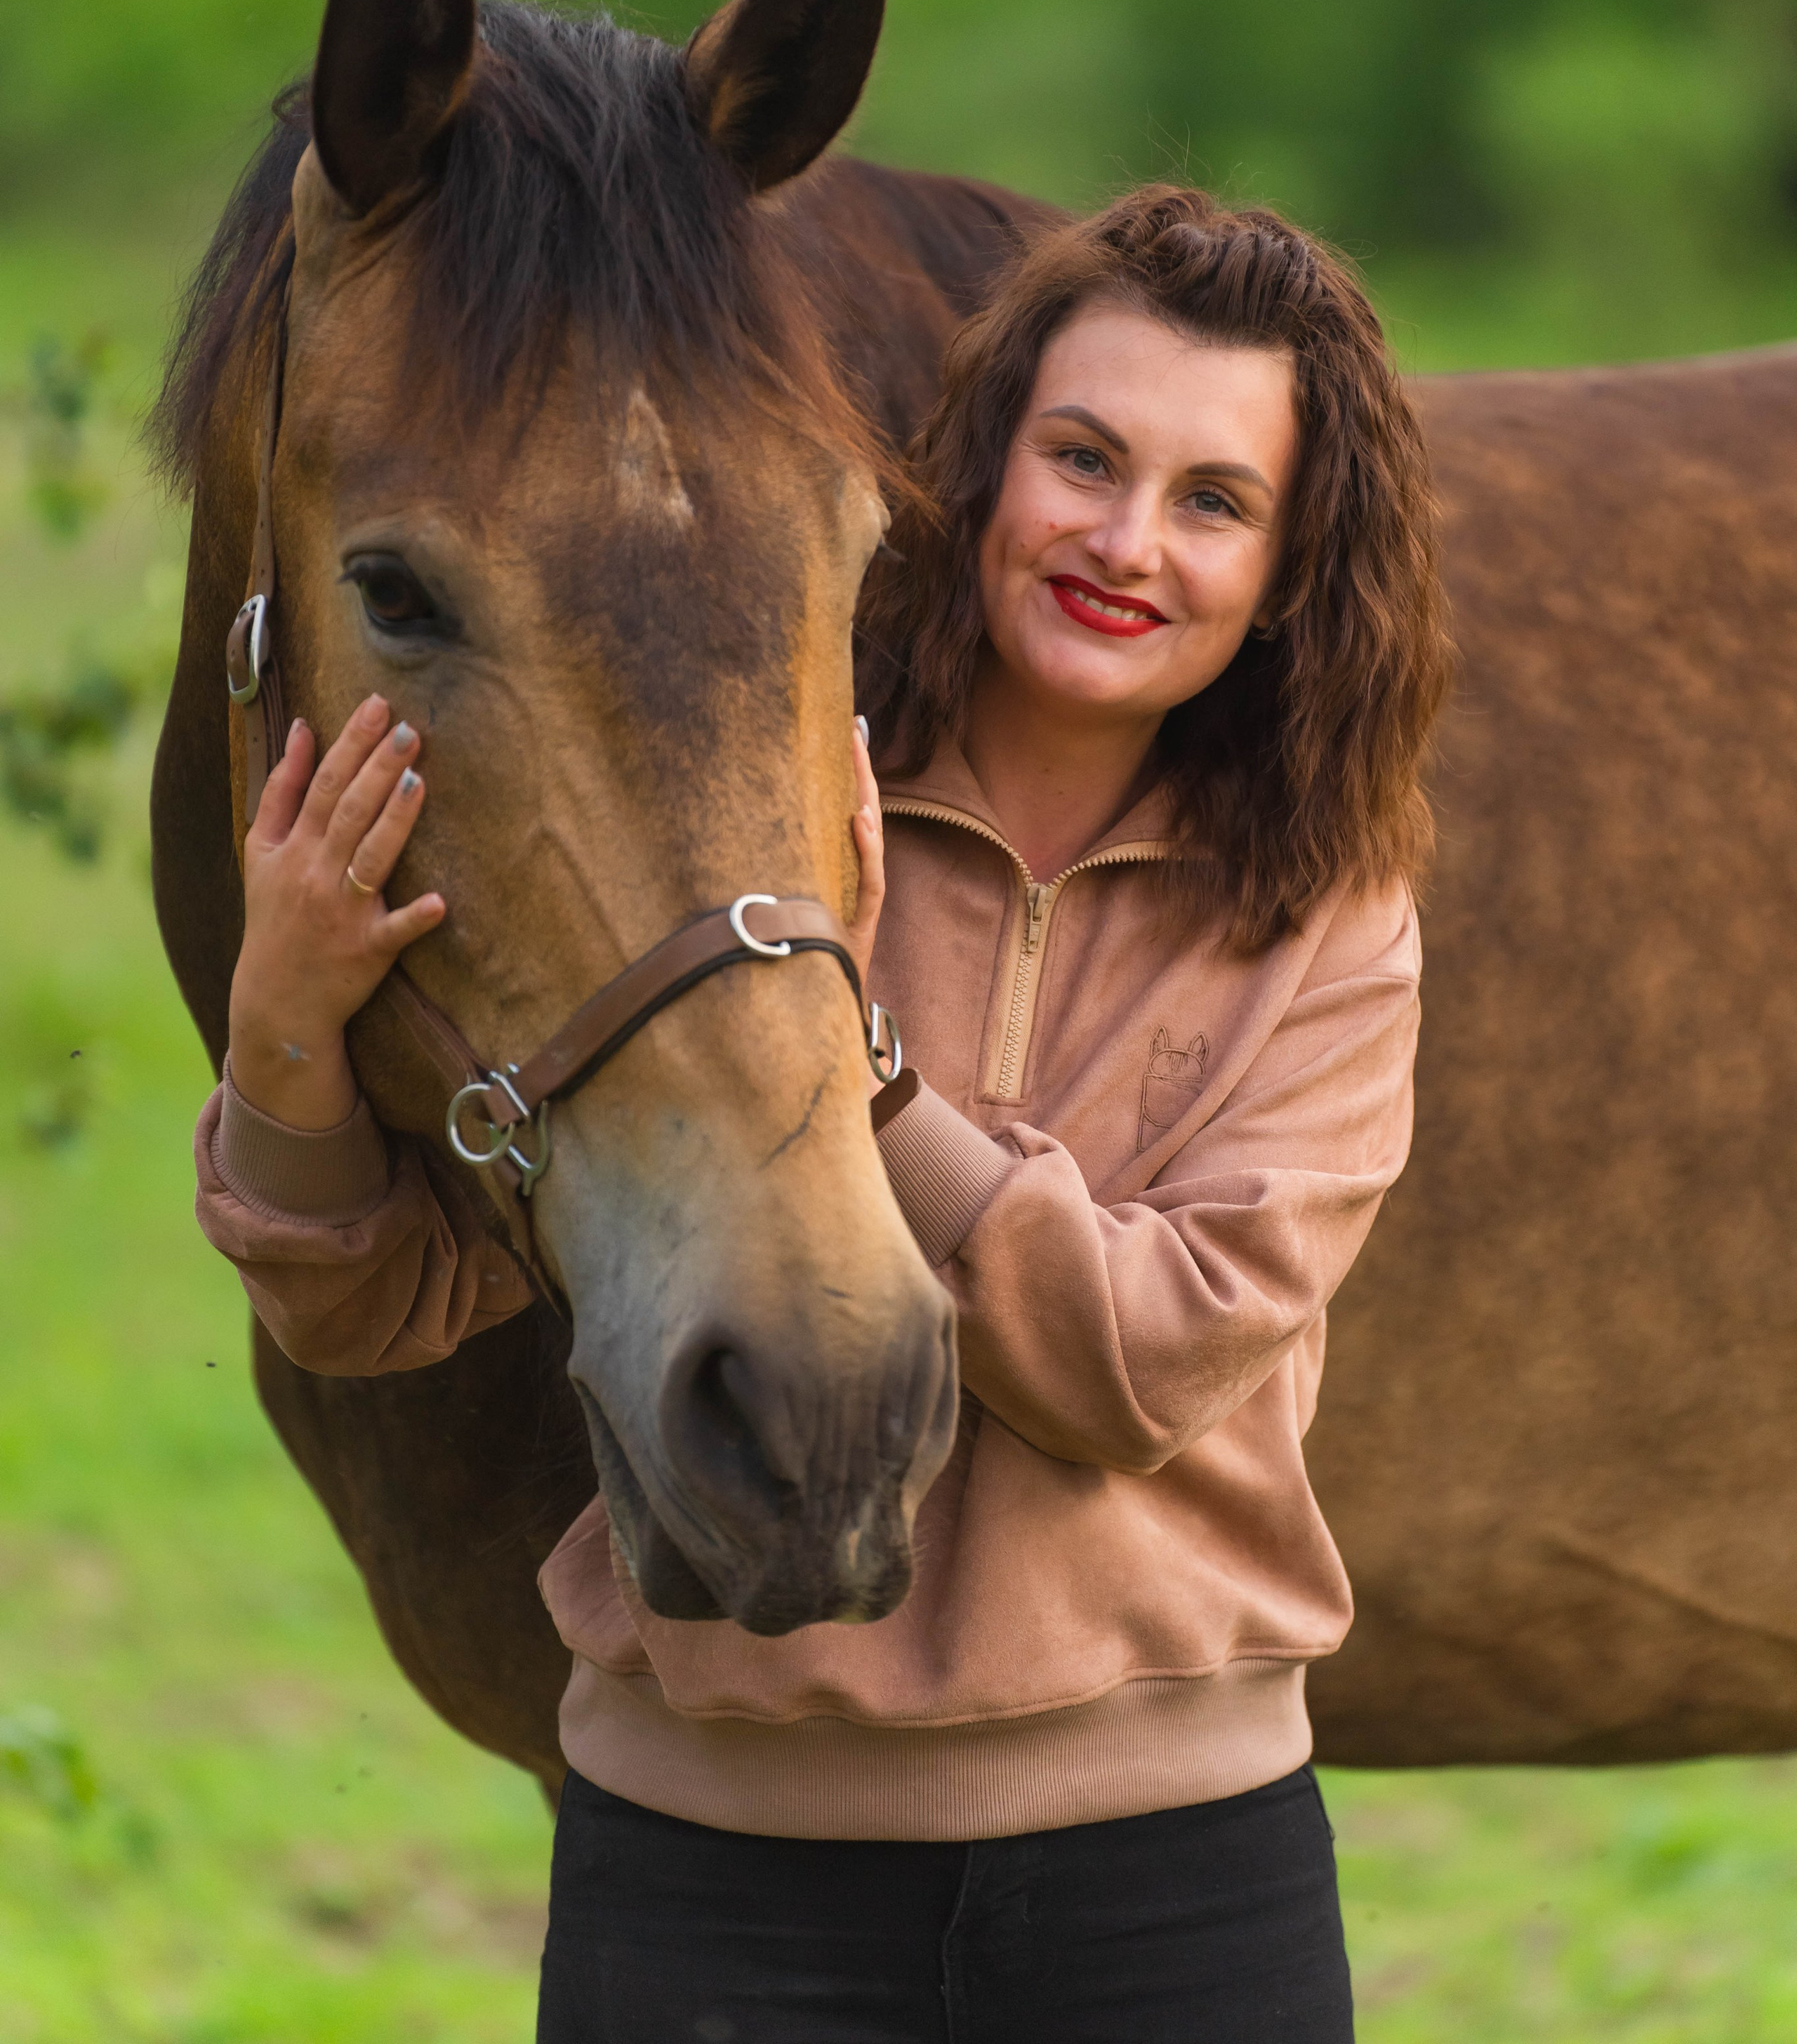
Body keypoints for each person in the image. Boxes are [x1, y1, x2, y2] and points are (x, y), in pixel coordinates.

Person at [195, 182, 1450, 2042]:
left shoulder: (1327, 925)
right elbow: (386, 1303)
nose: (1126, 541)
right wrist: (286, 1034)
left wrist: (860, 1055)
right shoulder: (734, 820)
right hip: (714, 1870)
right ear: (977, 468)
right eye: (1082, 458)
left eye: (1214, 501)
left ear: (1288, 562)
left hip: (1176, 1875)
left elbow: (1150, 1358)